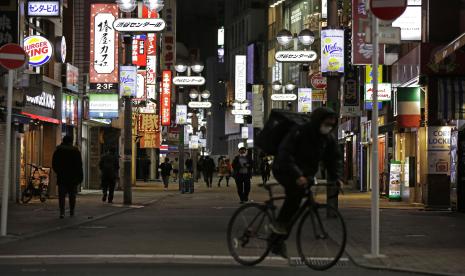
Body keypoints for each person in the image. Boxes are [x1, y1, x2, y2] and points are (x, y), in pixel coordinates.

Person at [270, 107, 343, 258]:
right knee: (294, 196)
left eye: (332, 124)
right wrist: (297, 175)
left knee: (298, 202)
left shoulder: (327, 138)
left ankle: (277, 239)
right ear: (318, 121)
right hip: (284, 168)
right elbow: (285, 153)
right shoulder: (300, 131)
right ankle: (278, 226)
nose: (328, 126)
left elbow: (334, 159)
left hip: (305, 174)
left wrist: (336, 178)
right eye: (326, 123)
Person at [52, 135, 83, 219]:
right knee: (72, 195)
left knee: (61, 196)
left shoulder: (58, 151)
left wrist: (59, 172)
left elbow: (54, 164)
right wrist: (80, 177)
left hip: (62, 177)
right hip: (73, 177)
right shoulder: (75, 151)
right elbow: (79, 165)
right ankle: (72, 211)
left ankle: (62, 212)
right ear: (71, 141)